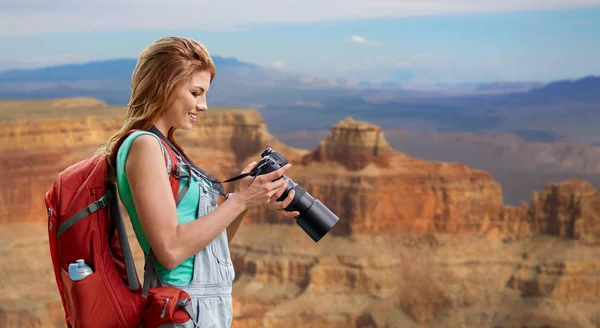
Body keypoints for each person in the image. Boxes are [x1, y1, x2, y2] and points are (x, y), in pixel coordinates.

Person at [95, 36, 300, 327]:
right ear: (164, 85)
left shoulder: (167, 147)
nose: (203, 105)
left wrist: (245, 201)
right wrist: (239, 200)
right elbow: (171, 251)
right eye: (195, 92)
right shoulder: (145, 146)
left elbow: (211, 246)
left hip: (203, 308)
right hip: (184, 310)